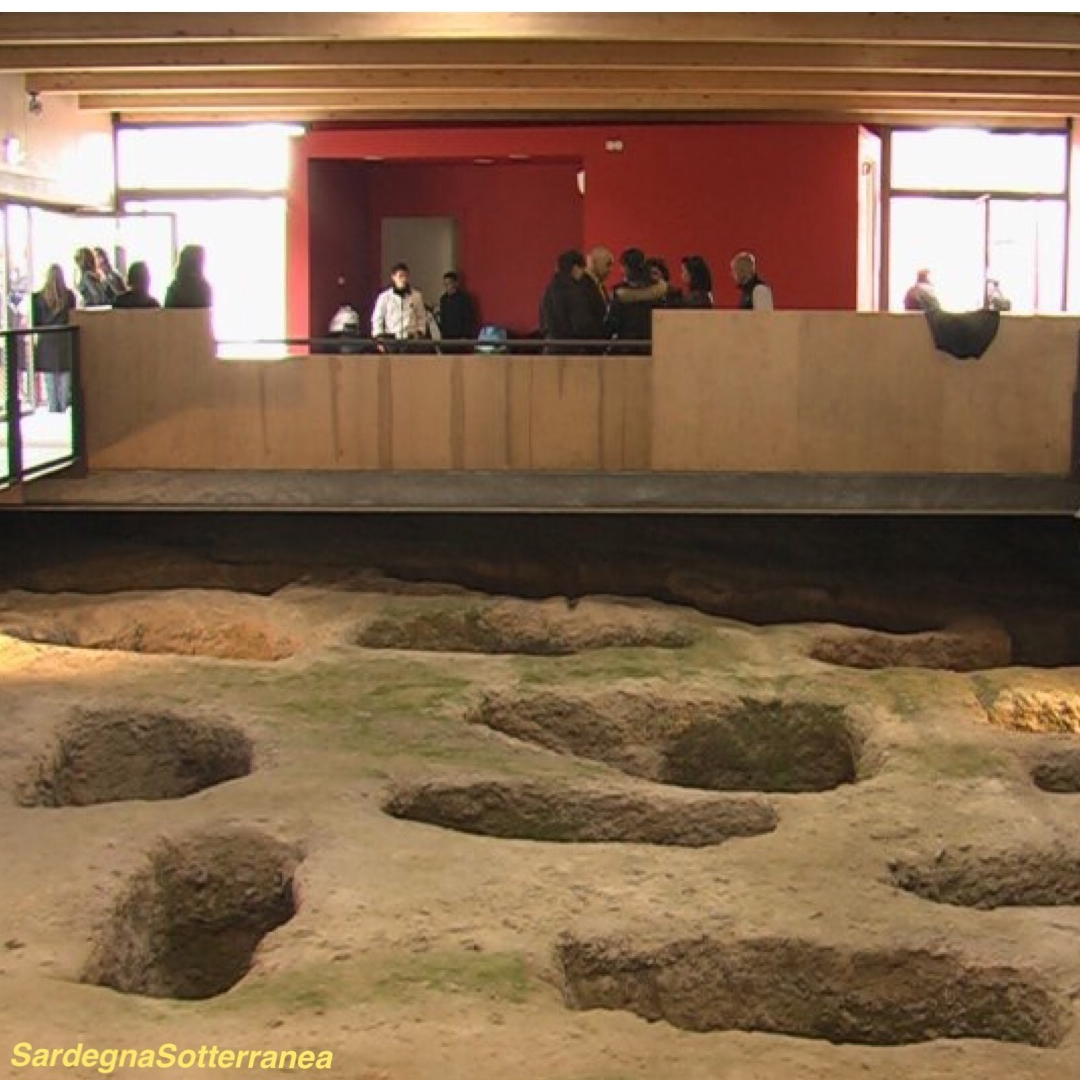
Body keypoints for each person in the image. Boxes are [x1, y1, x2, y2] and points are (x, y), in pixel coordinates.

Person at [31, 264, 76, 413]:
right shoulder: (69, 296)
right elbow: (74, 318)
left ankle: (53, 410)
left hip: (47, 342)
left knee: (50, 382)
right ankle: (63, 410)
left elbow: (35, 323)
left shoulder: (37, 298)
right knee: (65, 379)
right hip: (65, 340)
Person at [539, 248, 592, 350]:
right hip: (571, 349)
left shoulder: (548, 290)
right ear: (575, 268)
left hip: (550, 346)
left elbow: (542, 323)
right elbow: (581, 325)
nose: (582, 275)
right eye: (582, 270)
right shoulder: (574, 291)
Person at [371, 262, 428, 346]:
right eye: (400, 276)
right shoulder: (384, 297)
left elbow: (421, 316)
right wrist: (379, 338)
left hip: (411, 339)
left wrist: (420, 332)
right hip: (391, 338)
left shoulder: (416, 296)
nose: (403, 279)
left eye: (406, 276)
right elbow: (377, 318)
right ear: (393, 277)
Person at [437, 271, 478, 348]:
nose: (447, 286)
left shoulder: (464, 298)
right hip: (447, 338)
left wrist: (466, 336)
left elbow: (468, 318)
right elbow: (443, 318)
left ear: (455, 283)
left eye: (449, 283)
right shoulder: (443, 299)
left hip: (460, 338)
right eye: (445, 284)